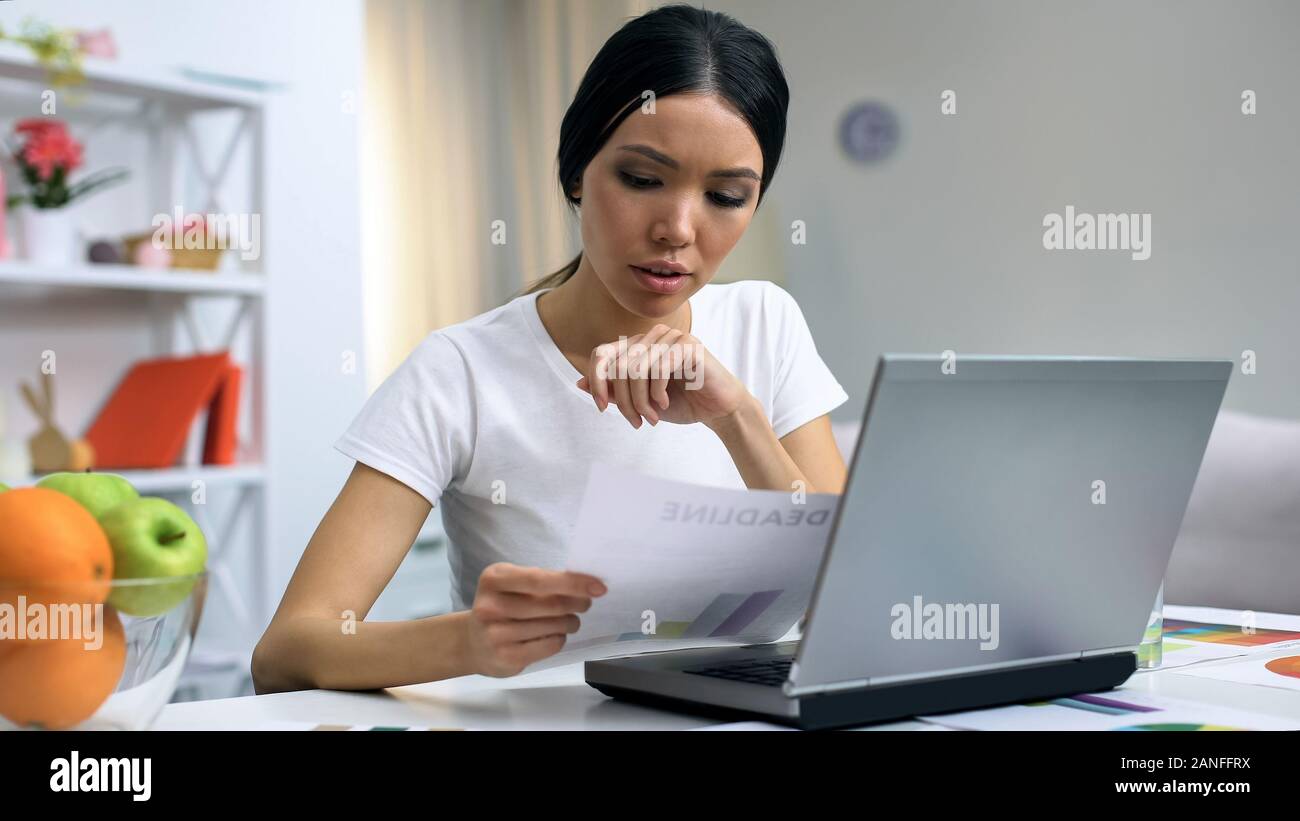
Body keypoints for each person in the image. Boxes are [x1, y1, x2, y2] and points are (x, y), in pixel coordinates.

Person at [252, 3, 848, 694]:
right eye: (643, 179)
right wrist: (466, 639)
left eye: (724, 195)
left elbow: (845, 596)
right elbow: (287, 649)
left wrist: (736, 415)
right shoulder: (461, 371)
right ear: (576, 172)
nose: (678, 229)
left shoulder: (764, 323)